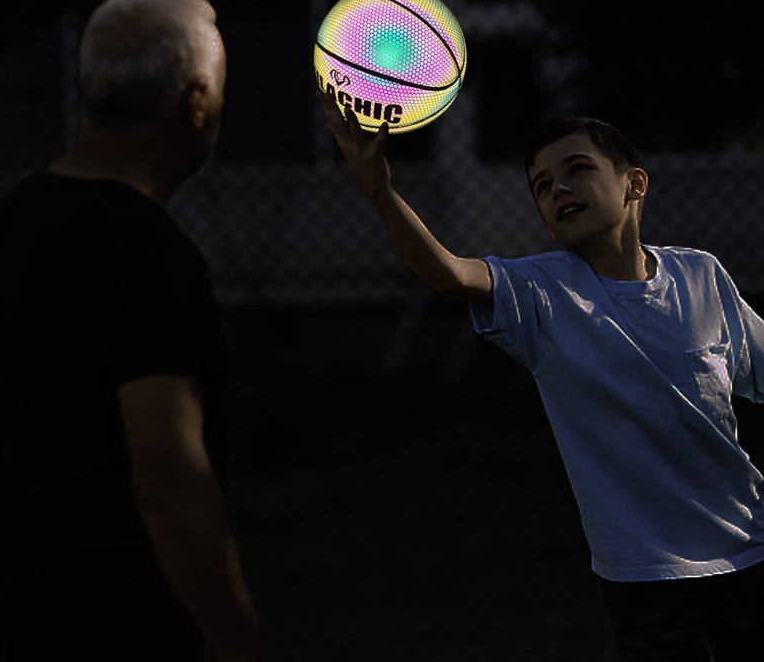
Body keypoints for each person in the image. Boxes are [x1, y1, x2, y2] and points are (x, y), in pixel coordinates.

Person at [317, 89, 764, 661]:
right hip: (645, 577)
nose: (558, 189)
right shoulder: (540, 293)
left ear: (634, 184)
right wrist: (379, 191)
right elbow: (451, 274)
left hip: (749, 551)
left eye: (577, 170)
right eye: (542, 186)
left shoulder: (700, 275)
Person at [0, 0, 267, 662]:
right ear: (195, 102)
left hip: (9, 613)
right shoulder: (150, 254)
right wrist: (236, 641)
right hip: (127, 625)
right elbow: (166, 474)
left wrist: (33, 539)